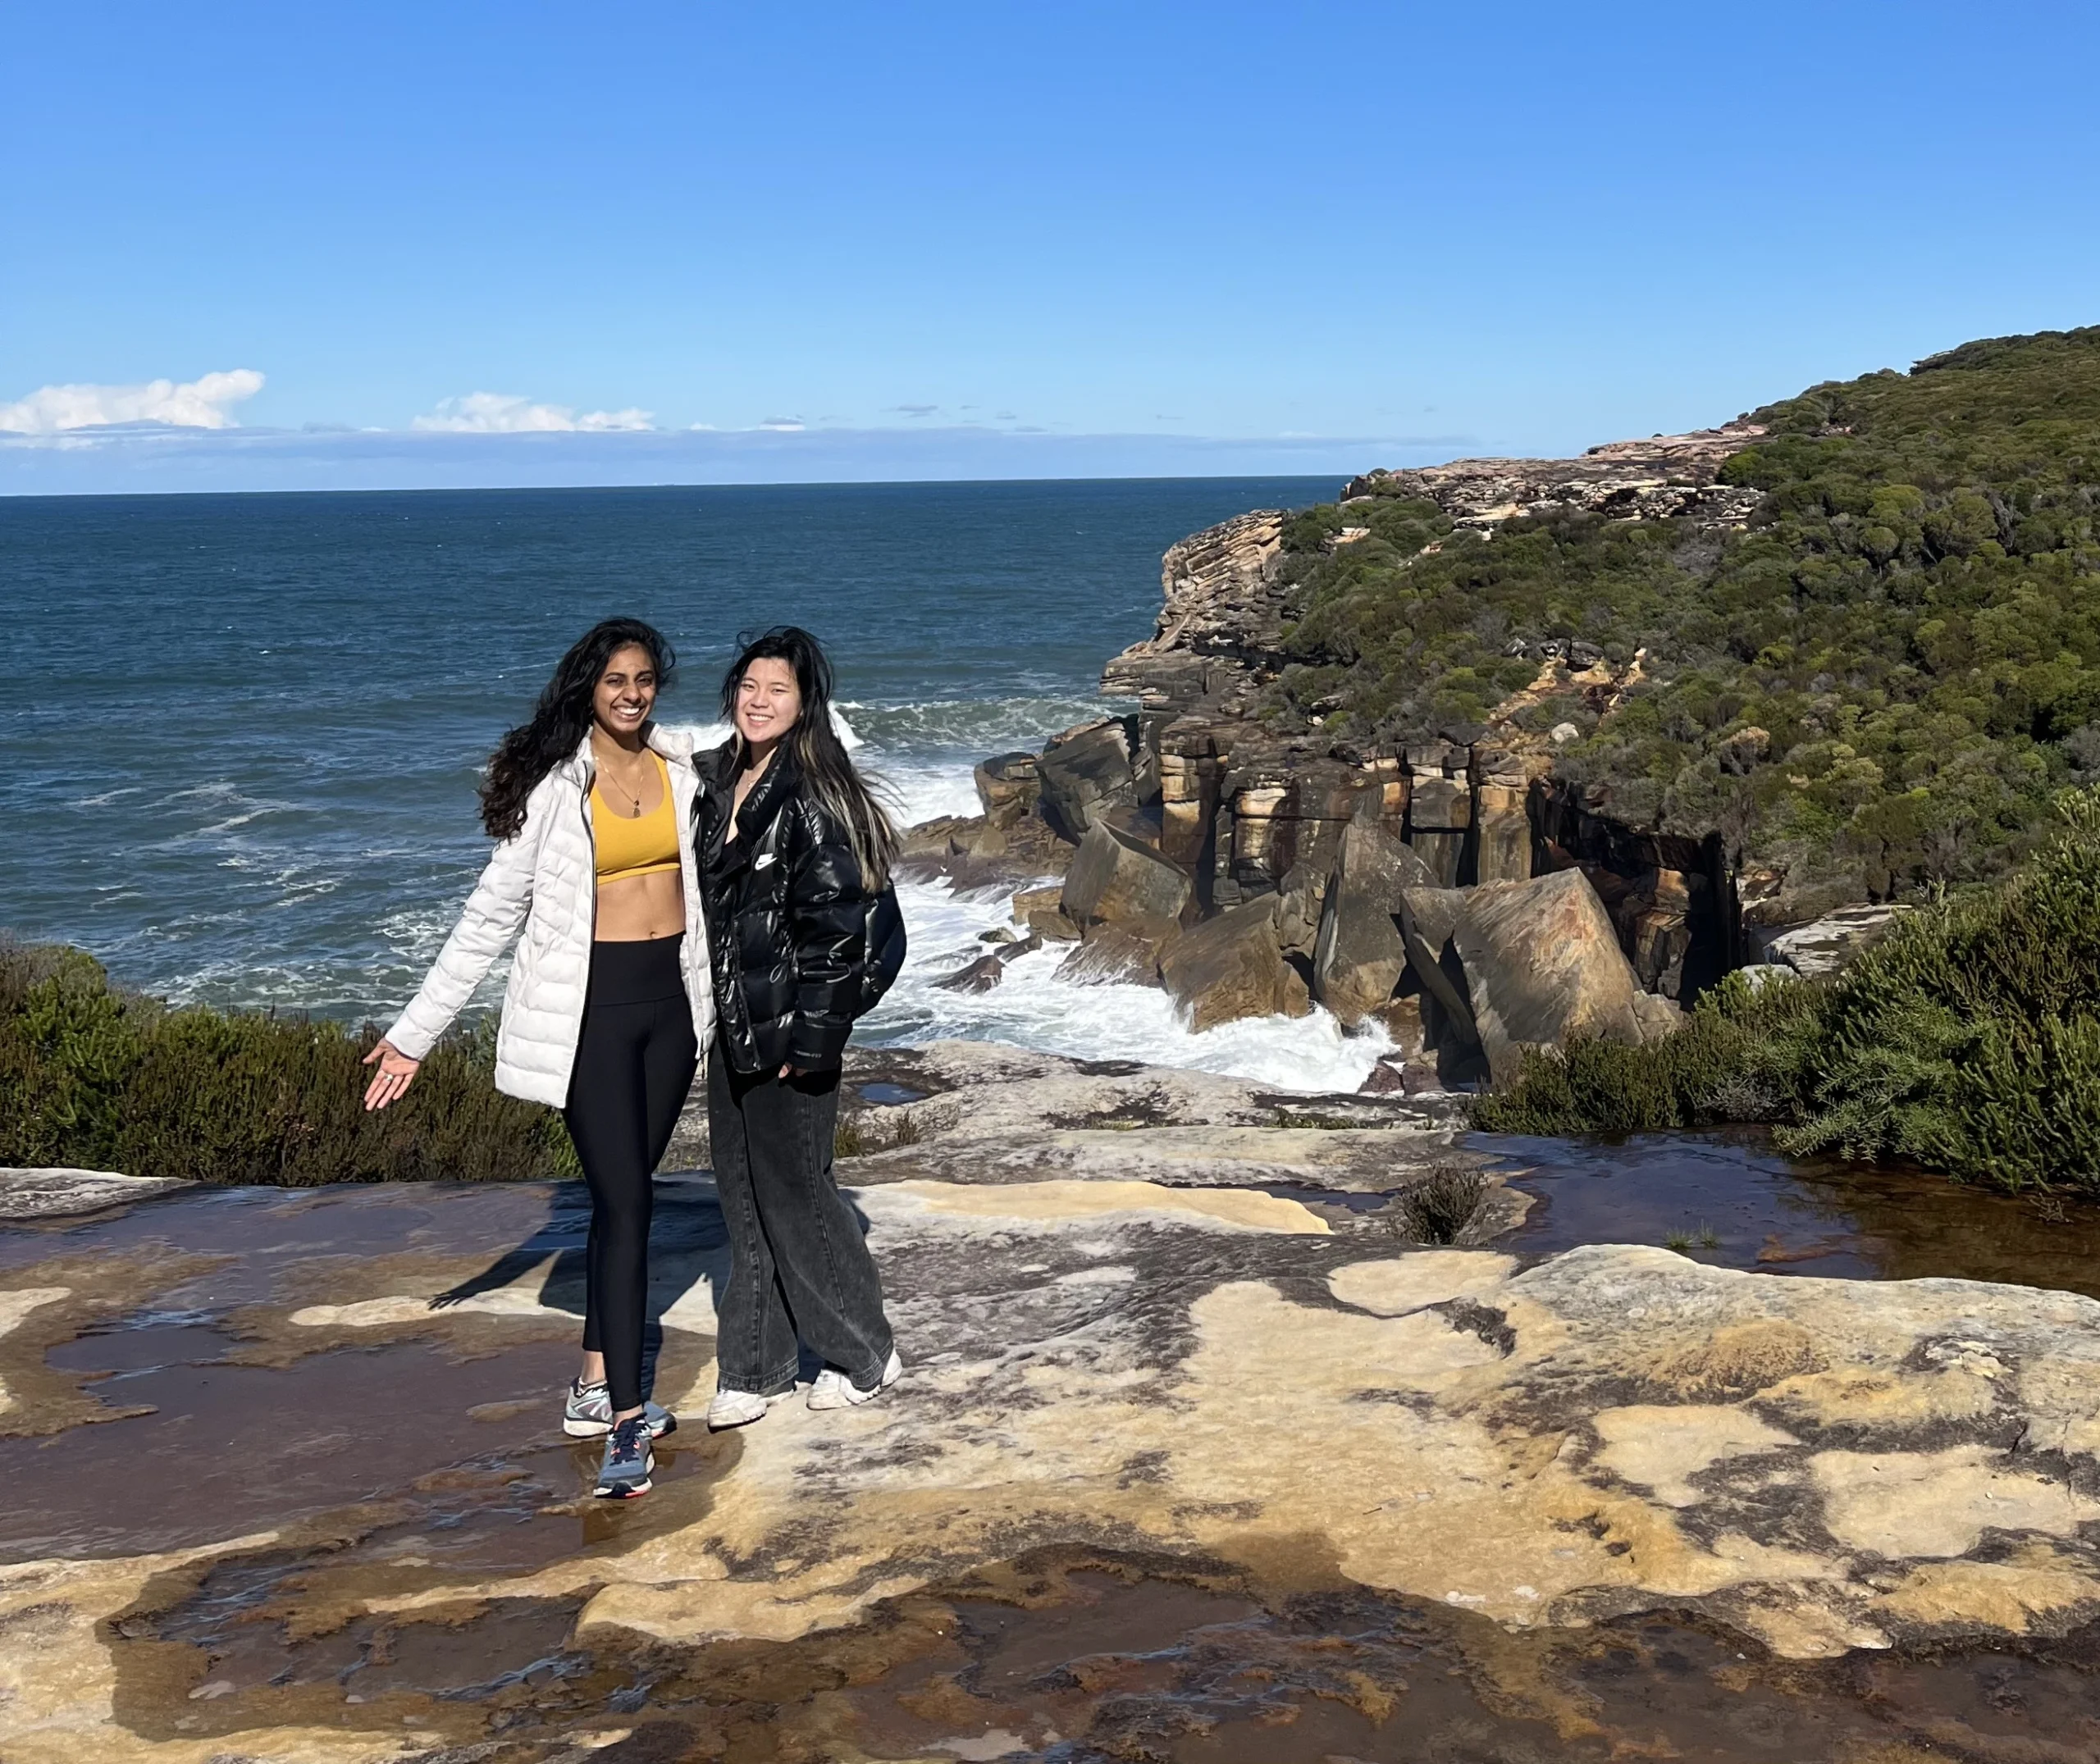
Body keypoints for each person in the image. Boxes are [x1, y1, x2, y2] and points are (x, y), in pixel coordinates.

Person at [362, 618, 711, 1500]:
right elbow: (486, 920)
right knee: (628, 1205)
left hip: (671, 1014)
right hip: (589, 1020)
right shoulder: (559, 790)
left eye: (642, 679)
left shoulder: (682, 771)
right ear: (586, 690)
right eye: (613, 681)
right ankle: (628, 1424)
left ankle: (591, 1387)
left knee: (622, 1203)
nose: (630, 693)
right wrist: (415, 1034)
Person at [695, 625, 905, 1429]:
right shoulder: (722, 782)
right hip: (736, 1025)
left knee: (801, 1201)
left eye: (776, 690)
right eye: (749, 685)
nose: (758, 700)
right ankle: (758, 1366)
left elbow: (836, 935)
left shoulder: (812, 796)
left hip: (791, 1036)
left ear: (805, 704)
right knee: (744, 1201)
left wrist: (813, 1048)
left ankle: (864, 1350)